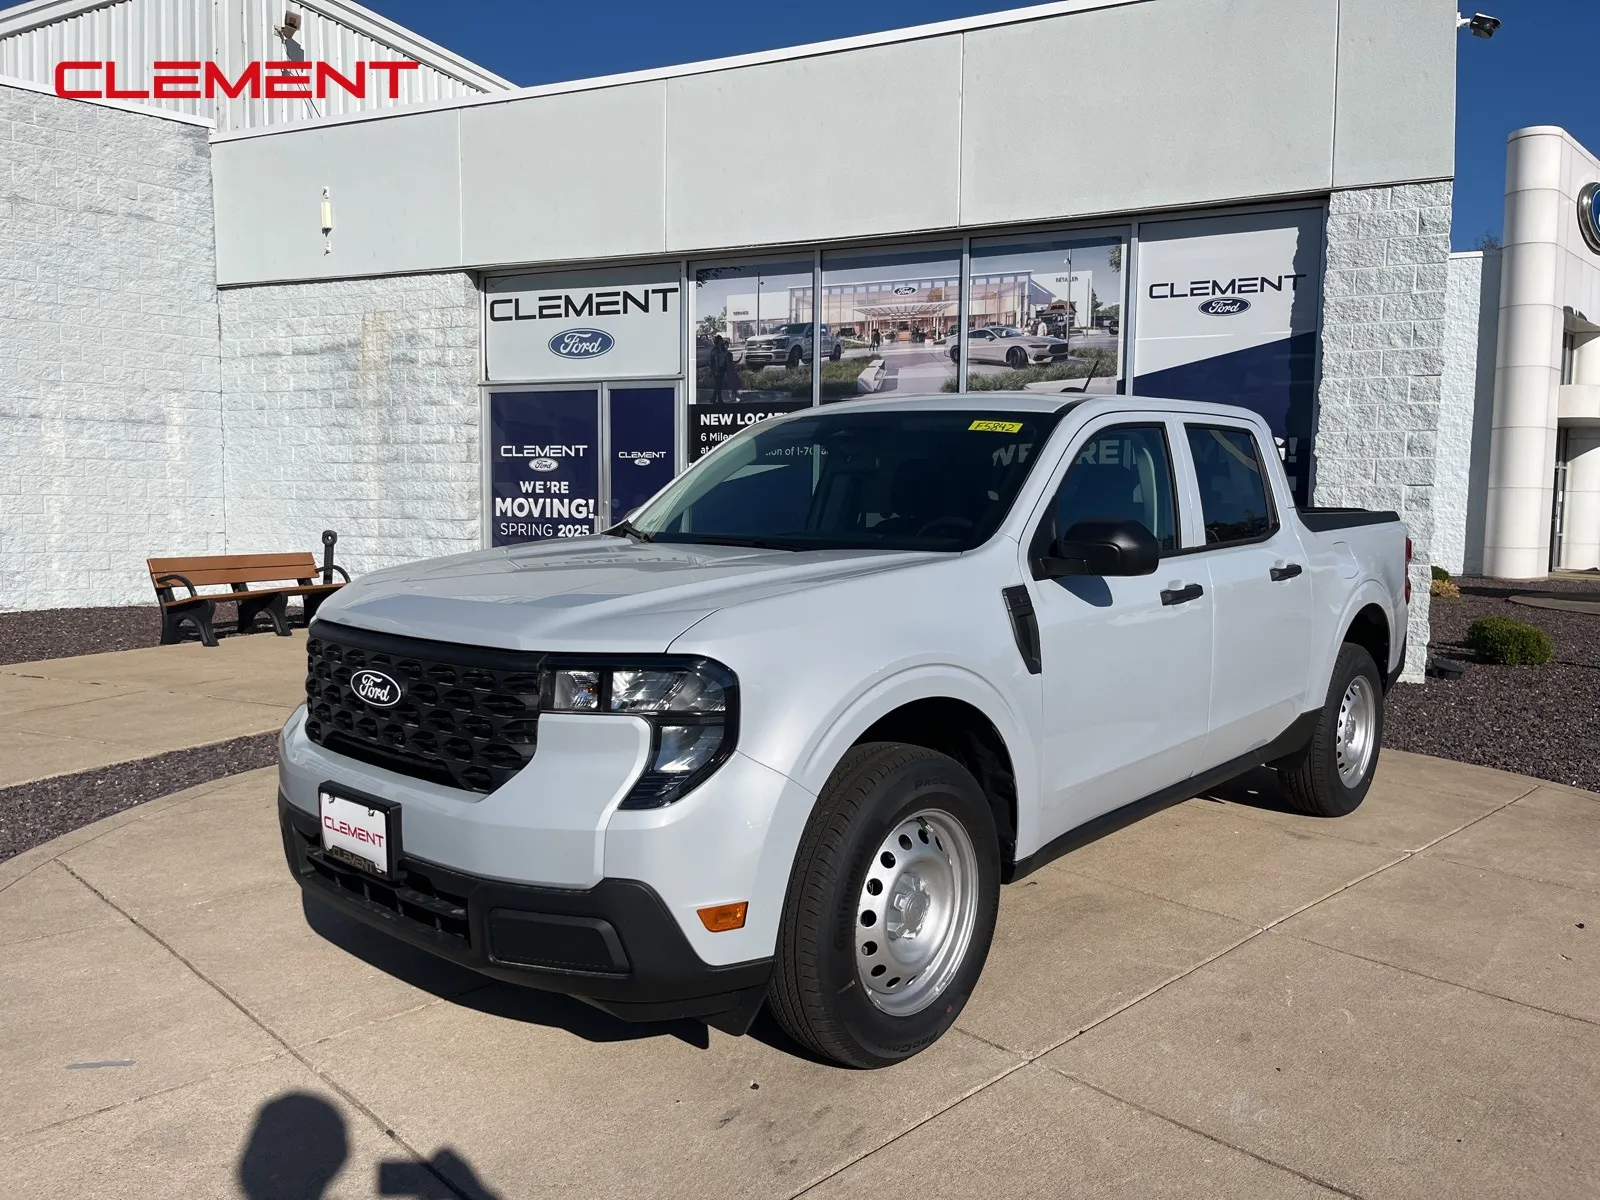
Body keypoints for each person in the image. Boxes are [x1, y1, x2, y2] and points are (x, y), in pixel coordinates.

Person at [709, 335, 731, 402]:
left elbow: (725, 357)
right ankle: (718, 399)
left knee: (719, 384)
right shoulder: (714, 350)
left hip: (722, 368)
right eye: (721, 340)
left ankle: (715, 398)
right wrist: (715, 370)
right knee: (718, 384)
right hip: (717, 369)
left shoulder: (723, 348)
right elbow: (712, 362)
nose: (722, 341)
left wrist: (727, 368)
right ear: (718, 341)